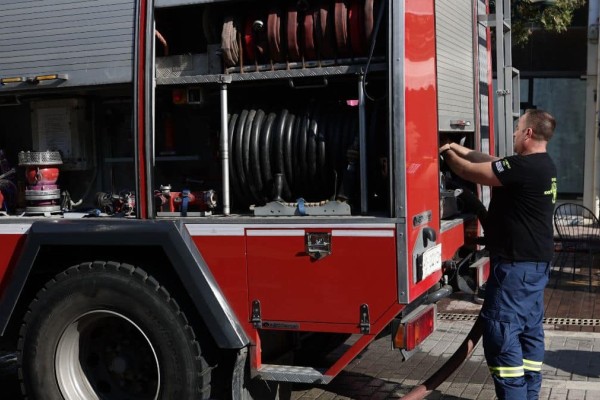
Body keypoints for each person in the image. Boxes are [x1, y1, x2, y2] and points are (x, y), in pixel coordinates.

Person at [439, 109, 557, 400]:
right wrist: (460, 147)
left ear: (528, 133)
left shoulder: (524, 168)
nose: (515, 133)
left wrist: (444, 154)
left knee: (502, 339)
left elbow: (471, 172)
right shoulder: (543, 165)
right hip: (533, 269)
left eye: (518, 129)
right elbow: (491, 162)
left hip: (516, 271)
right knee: (528, 334)